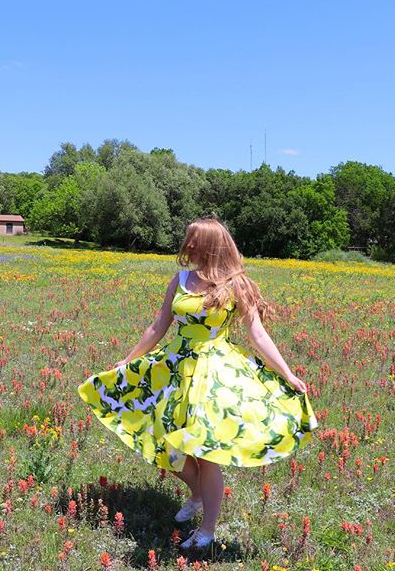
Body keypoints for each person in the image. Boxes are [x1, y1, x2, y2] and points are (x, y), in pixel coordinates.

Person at [77, 217, 318, 549]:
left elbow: (257, 334)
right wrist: (130, 359)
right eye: (187, 239)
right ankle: (198, 494)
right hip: (175, 367)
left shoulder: (236, 284)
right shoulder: (180, 279)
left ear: (210, 245)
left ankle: (206, 530)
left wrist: (287, 373)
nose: (187, 245)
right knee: (165, 441)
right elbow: (158, 325)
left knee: (205, 452)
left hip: (215, 375)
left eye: (193, 240)